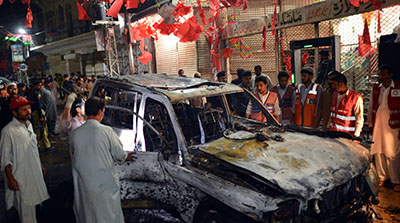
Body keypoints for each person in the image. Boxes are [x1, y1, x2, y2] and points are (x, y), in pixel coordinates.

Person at [70, 97, 136, 223]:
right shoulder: (107, 131)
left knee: (89, 213)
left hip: (84, 183)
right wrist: (126, 155)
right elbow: (119, 154)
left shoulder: (76, 134)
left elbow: (74, 153)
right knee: (108, 214)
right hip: (104, 184)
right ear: (101, 111)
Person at [0, 96, 50, 223]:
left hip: (34, 174)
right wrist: (10, 179)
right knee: (26, 215)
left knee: (37, 208)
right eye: (24, 109)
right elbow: (5, 159)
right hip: (20, 178)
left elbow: (33, 150)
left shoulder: (29, 125)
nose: (28, 111)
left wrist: (40, 165)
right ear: (14, 113)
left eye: (29, 108)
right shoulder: (8, 131)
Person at [367, 65, 400, 191]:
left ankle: (396, 180)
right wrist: (370, 123)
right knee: (378, 151)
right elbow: (371, 107)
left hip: (393, 126)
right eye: (381, 74)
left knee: (393, 153)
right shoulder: (376, 88)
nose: (382, 77)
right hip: (378, 125)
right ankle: (382, 177)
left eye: (384, 74)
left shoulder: (397, 86)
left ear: (390, 75)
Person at [28, 79, 52, 151]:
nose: (40, 87)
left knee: (38, 129)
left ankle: (38, 145)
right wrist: (41, 116)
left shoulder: (31, 92)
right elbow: (38, 105)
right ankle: (46, 145)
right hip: (38, 112)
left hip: (35, 112)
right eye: (39, 85)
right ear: (35, 86)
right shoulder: (36, 93)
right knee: (42, 129)